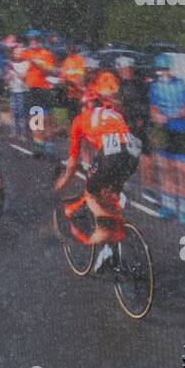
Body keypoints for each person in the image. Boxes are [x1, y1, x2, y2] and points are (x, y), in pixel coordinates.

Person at [53, 71, 141, 273]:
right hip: (131, 154)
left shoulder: (79, 120)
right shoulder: (113, 112)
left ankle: (105, 230)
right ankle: (110, 249)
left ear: (84, 106)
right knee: (108, 194)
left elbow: (73, 163)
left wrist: (60, 185)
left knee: (91, 194)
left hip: (111, 154)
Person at [148, 55, 185, 219]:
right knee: (166, 169)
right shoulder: (154, 86)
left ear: (170, 69)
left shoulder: (181, 84)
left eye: (165, 69)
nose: (162, 73)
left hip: (180, 131)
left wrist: (171, 116)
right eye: (159, 70)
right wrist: (156, 116)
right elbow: (153, 108)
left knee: (183, 171)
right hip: (165, 132)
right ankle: (168, 206)